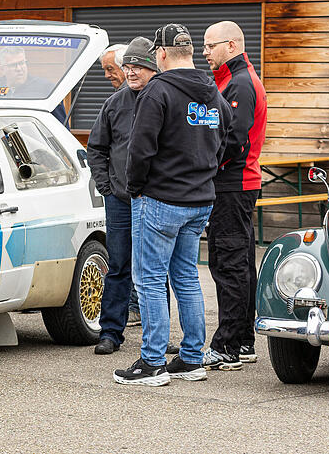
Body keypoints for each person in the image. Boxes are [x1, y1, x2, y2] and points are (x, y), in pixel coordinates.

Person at [114, 23, 231, 386]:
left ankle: (152, 364)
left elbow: (140, 149)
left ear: (160, 54)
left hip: (161, 198)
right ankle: (193, 358)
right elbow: (228, 135)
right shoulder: (212, 90)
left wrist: (135, 188)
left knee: (149, 279)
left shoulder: (157, 90)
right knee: (186, 278)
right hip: (200, 200)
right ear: (191, 52)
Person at [202, 20, 268, 370]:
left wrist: (200, 166)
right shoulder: (232, 79)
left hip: (233, 184)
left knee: (229, 263)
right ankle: (242, 341)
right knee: (239, 262)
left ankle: (227, 345)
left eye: (210, 46)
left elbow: (233, 140)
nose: (205, 52)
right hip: (236, 184)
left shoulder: (240, 82)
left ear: (230, 45)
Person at [88, 37, 159, 355]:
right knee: (118, 265)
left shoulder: (164, 98)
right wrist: (106, 186)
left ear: (151, 68)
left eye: (137, 66)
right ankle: (111, 332)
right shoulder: (114, 104)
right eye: (127, 67)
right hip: (120, 200)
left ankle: (158, 334)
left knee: (157, 268)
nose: (130, 72)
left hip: (157, 199)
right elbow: (97, 148)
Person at [0, 45, 68, 125]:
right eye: (13, 65)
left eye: (22, 63)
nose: (19, 69)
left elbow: (62, 126)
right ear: (2, 69)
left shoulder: (47, 89)